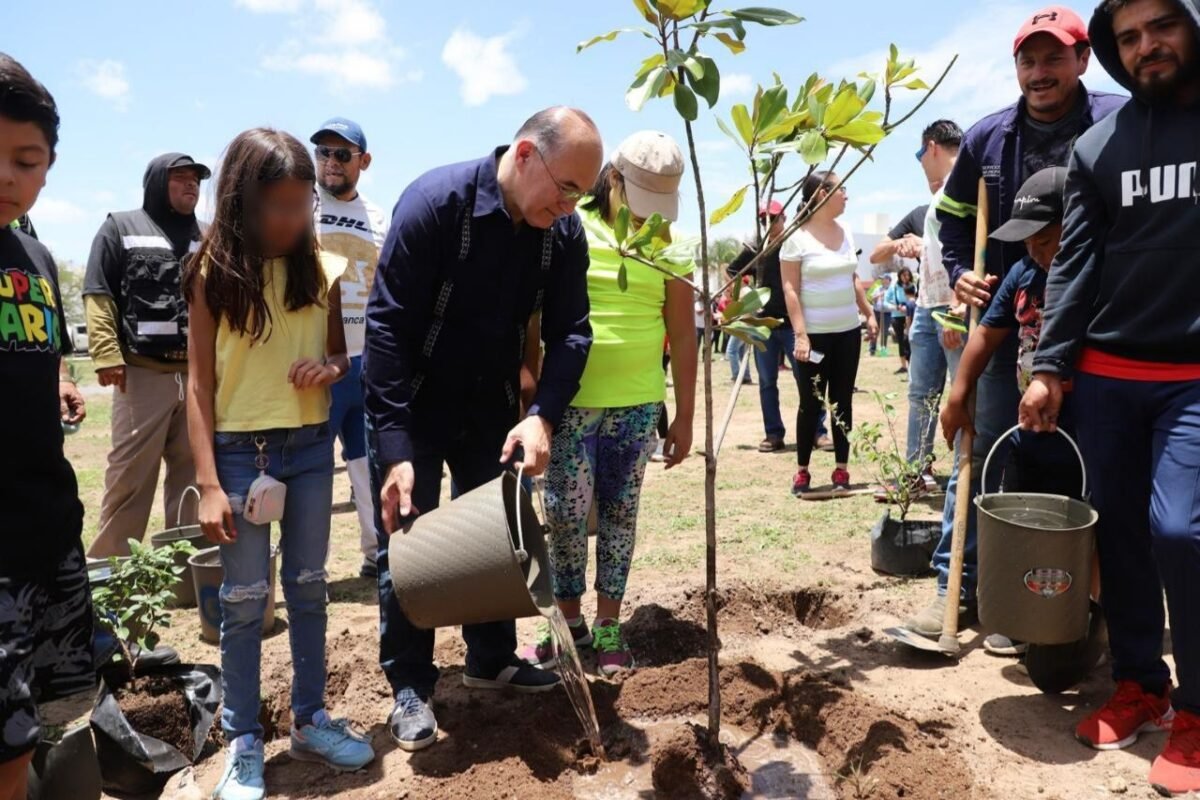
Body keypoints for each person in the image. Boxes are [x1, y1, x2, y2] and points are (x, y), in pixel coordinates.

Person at [364, 106, 601, 752]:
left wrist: (541, 415)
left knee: (499, 538)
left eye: (581, 195)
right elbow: (386, 327)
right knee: (406, 541)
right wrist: (395, 447)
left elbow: (572, 332)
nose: (570, 206)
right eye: (566, 188)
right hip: (414, 404)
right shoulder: (435, 205)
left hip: (492, 409)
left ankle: (491, 657)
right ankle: (410, 685)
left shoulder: (561, 233)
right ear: (525, 155)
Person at [1020, 0, 1200, 793]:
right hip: (1109, 377)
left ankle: (1197, 709)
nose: (1146, 46)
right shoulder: (1097, 147)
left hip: (1193, 380)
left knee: (1181, 534)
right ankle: (1140, 684)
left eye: (1162, 26)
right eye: (1128, 37)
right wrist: (1049, 366)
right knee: (1118, 534)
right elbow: (1075, 264)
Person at [905, 5, 1126, 637]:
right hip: (1012, 319)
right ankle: (959, 587)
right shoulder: (987, 138)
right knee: (985, 450)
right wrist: (960, 271)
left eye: (1054, 57)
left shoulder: (1117, 122)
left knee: (1092, 466)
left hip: (1098, 327)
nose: (1040, 71)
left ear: (1083, 59)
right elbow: (951, 217)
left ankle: (1074, 601)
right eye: (1028, 60)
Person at [184, 128, 374, 800]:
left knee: (310, 587)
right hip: (239, 456)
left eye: (302, 205)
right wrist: (208, 483)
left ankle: (310, 719)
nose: (292, 219)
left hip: (310, 449)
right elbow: (198, 386)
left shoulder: (321, 268)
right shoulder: (211, 273)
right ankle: (243, 739)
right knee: (242, 603)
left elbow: (340, 357)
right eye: (278, 206)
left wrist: (329, 368)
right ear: (242, 201)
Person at [520, 130, 696, 675]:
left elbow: (682, 335)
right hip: (569, 405)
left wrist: (685, 416)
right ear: (613, 179)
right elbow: (535, 315)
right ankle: (568, 624)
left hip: (637, 406)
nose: (647, 215)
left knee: (620, 514)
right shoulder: (570, 224)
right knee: (565, 515)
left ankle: (608, 624)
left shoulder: (672, 246)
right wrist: (531, 394)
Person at [0, 53, 92, 800]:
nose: (6, 176)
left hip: (48, 524)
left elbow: (41, 348)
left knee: (51, 719)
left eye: (26, 162)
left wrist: (59, 380)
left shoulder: (33, 256)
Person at [941, 167, 1083, 646]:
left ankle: (1077, 615)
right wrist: (958, 394)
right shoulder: (1023, 274)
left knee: (1079, 521)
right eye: (1027, 243)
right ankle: (1026, 615)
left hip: (1083, 427)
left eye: (1044, 240)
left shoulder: (1093, 274)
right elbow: (986, 335)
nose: (1035, 252)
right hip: (1028, 429)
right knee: (1024, 516)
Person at [82, 152, 210, 558]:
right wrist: (106, 354)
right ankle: (112, 573)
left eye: (195, 180)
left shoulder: (210, 236)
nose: (191, 185)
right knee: (130, 478)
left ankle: (188, 572)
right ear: (156, 183)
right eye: (180, 177)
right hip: (141, 375)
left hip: (198, 379)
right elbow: (98, 293)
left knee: (194, 478)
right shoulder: (120, 227)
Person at [309, 117, 389, 578]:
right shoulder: (301, 207)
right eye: (323, 152)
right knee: (313, 470)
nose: (331, 162)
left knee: (367, 464)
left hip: (368, 362)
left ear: (364, 161)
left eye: (342, 154)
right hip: (320, 363)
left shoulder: (378, 217)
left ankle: (376, 552)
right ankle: (311, 568)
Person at [781, 171, 877, 496]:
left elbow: (853, 278)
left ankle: (841, 469)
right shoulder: (796, 237)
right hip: (814, 337)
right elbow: (790, 289)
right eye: (841, 189)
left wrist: (868, 312)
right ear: (822, 194)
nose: (846, 195)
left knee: (842, 401)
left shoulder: (846, 231)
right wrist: (801, 335)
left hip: (847, 333)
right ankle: (802, 471)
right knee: (810, 403)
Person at [728, 201, 828, 452]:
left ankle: (818, 431)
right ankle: (773, 434)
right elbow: (732, 271)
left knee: (807, 379)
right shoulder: (756, 248)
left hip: (795, 325)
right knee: (766, 382)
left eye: (773, 218)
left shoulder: (795, 244)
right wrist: (745, 295)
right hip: (764, 325)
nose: (769, 223)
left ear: (784, 217)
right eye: (764, 219)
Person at [905, 120, 967, 497]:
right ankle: (915, 472)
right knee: (921, 394)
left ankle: (963, 477)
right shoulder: (943, 189)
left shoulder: (963, 181)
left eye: (919, 156)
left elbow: (967, 245)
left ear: (931, 148)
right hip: (928, 305)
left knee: (960, 394)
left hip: (950, 307)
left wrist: (957, 306)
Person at [885, 266, 916, 374]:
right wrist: (896, 307)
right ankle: (903, 366)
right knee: (901, 340)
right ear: (899, 276)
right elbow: (886, 301)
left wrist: (908, 308)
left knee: (910, 339)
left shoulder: (913, 286)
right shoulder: (894, 286)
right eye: (903, 275)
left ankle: (912, 363)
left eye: (908, 275)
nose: (906, 277)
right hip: (897, 316)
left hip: (910, 314)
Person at [868, 273, 892, 356]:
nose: (882, 280)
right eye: (881, 279)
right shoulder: (878, 288)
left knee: (884, 332)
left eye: (883, 279)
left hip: (886, 313)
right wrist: (879, 295)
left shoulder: (892, 290)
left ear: (888, 280)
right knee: (874, 330)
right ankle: (872, 349)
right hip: (877, 312)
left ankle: (883, 349)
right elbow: (872, 299)